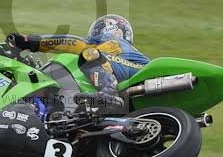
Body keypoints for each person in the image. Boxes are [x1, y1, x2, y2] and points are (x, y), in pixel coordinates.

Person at [10, 14, 150, 115]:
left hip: (137, 73)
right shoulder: (128, 52)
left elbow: (71, 43)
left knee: (88, 54)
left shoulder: (109, 40)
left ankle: (109, 94)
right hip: (137, 86)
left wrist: (30, 42)